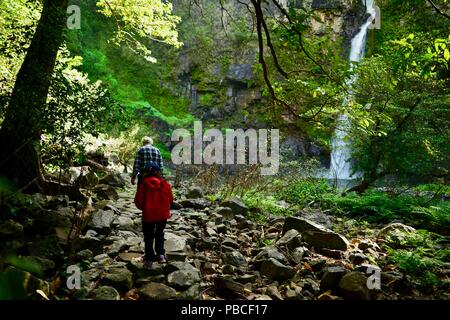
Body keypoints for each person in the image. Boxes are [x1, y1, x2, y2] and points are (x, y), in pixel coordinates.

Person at [134, 161, 173, 269]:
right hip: (162, 215)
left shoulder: (144, 184)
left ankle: (149, 260)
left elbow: (138, 201)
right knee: (160, 233)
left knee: (148, 236)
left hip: (148, 215)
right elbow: (170, 199)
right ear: (158, 172)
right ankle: (160, 255)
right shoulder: (165, 183)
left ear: (146, 172)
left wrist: (145, 208)